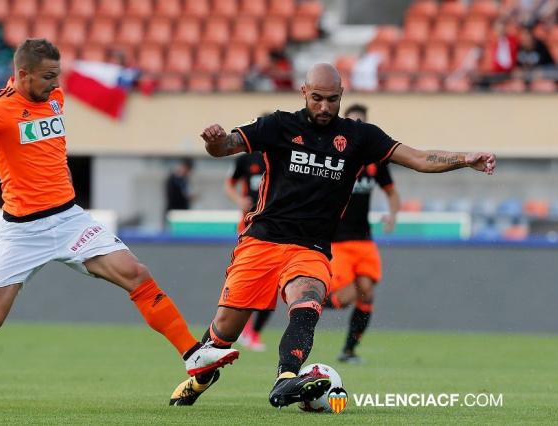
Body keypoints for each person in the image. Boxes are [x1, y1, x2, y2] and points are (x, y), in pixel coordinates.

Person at [169, 63, 496, 408]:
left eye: (332, 99)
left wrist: (465, 158)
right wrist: (216, 142)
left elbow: (417, 157)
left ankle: (286, 378)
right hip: (263, 240)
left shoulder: (359, 137)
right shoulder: (279, 125)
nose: (324, 107)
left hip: (311, 247)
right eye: (317, 99)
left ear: (342, 97)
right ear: (304, 93)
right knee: (223, 333)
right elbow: (226, 147)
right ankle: (200, 380)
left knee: (307, 304)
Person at [0, 39, 238, 382]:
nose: (55, 84)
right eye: (47, 76)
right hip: (23, 231)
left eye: (57, 75)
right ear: (23, 74)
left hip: (70, 219)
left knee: (136, 273)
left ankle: (192, 354)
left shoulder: (55, 99)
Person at [322, 104, 400, 364]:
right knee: (343, 298)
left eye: (361, 123)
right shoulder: (334, 156)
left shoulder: (375, 161)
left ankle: (349, 350)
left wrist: (393, 214)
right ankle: (311, 302)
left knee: (367, 292)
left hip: (364, 239)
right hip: (338, 240)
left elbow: (391, 191)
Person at [224, 150, 271, 351]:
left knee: (270, 284)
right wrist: (239, 201)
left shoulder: (284, 155)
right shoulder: (246, 160)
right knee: (247, 279)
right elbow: (229, 184)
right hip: (249, 229)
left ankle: (252, 332)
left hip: (276, 230)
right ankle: (236, 329)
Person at [165, 157, 195, 221]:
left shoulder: (184, 180)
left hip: (183, 212)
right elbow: (171, 196)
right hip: (173, 211)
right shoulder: (173, 179)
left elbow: (186, 194)